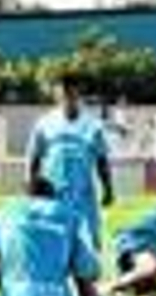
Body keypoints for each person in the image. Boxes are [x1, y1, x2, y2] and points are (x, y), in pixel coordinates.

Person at [26, 74, 114, 256]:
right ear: (57, 96)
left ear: (79, 95)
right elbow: (34, 157)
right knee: (54, 236)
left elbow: (101, 159)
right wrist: (30, 186)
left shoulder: (92, 125)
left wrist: (108, 188)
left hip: (84, 192)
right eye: (63, 94)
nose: (68, 99)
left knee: (90, 237)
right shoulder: (44, 123)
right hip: (53, 191)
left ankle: (90, 276)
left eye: (72, 94)